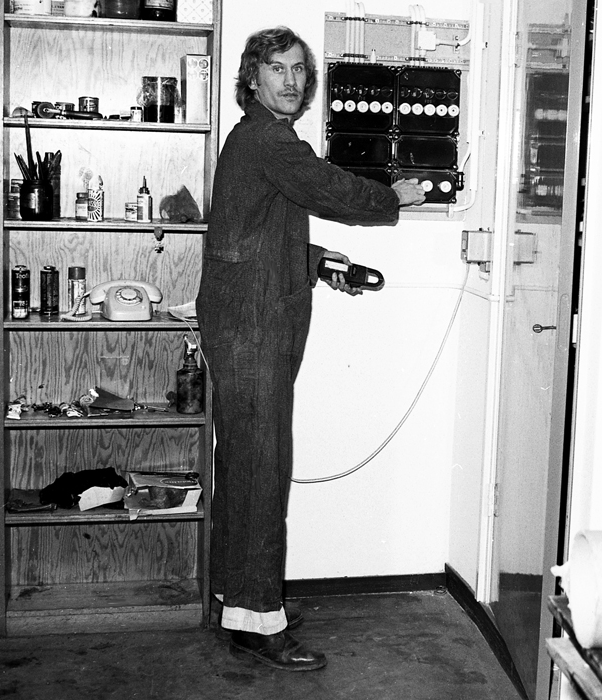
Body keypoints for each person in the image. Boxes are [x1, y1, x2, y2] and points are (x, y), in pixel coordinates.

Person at [196, 26, 425, 672]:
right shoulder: (270, 139)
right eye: (277, 69)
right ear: (252, 78)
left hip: (245, 321)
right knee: (262, 469)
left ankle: (235, 600)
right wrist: (392, 196)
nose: (291, 81)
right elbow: (331, 190)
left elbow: (256, 230)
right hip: (253, 329)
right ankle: (260, 622)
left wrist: (318, 261)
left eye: (299, 69)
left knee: (243, 466)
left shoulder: (252, 139)